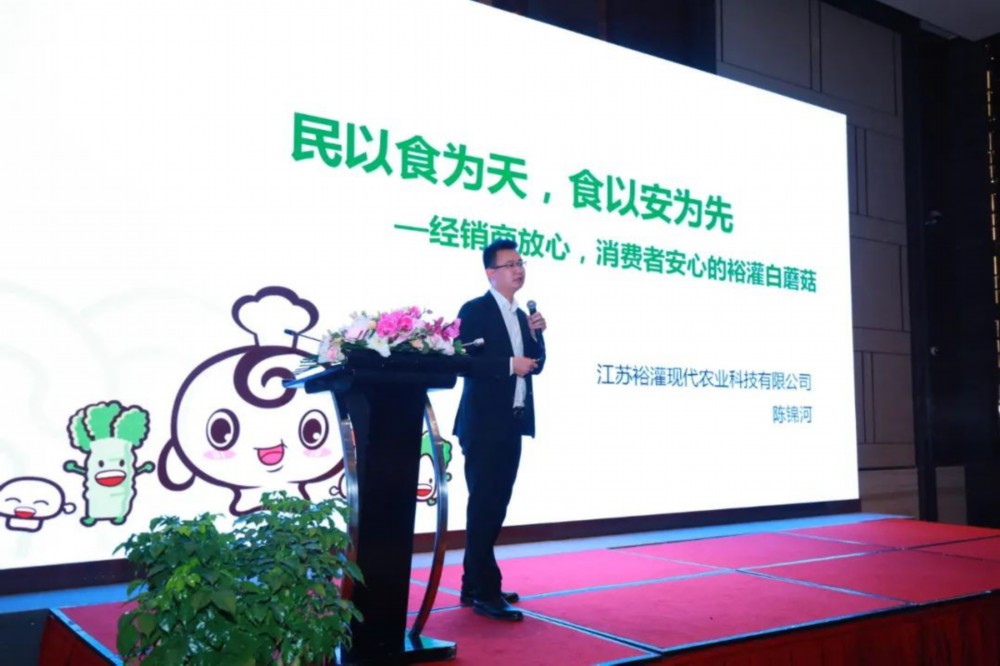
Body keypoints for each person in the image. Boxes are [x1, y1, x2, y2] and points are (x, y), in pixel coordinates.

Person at [454, 238, 546, 622]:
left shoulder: (522, 315)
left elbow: (537, 364)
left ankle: (472, 584)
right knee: (485, 505)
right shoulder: (474, 310)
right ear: (491, 273)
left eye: (521, 263)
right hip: (483, 423)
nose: (518, 270)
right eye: (510, 264)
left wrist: (537, 335)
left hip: (512, 421)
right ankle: (485, 592)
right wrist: (509, 364)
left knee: (494, 505)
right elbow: (464, 360)